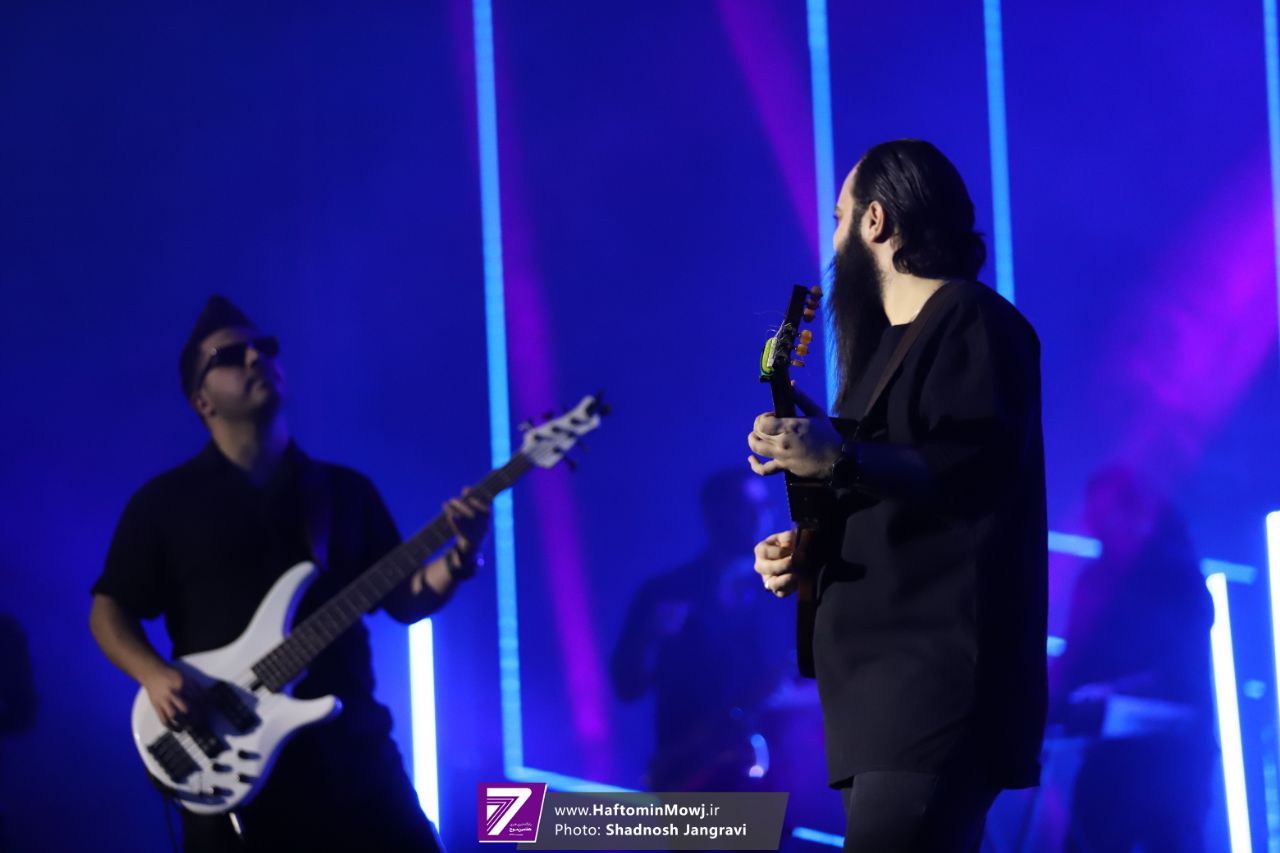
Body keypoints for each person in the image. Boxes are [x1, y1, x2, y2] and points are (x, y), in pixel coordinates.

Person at [89, 296, 490, 852]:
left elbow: (405, 599)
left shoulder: (344, 491)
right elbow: (108, 608)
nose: (257, 357)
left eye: (265, 346)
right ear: (201, 399)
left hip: (353, 755)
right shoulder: (164, 503)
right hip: (229, 765)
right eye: (231, 355)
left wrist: (461, 556)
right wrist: (153, 675)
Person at [747, 139, 1048, 852]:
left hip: (933, 687)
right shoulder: (885, 353)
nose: (834, 239)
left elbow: (972, 471)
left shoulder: (972, 318)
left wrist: (838, 455)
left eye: (839, 217)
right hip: (874, 703)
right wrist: (805, 550)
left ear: (876, 221)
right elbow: (897, 499)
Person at [1054, 467, 1216, 852]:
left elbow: (1180, 668)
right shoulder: (1094, 578)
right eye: (1094, 518)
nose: (1098, 528)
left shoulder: (1179, 577)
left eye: (1106, 517)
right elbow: (1075, 657)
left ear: (1140, 515)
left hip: (1174, 758)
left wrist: (1112, 690)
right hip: (1110, 753)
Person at [610, 469, 792, 791]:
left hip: (775, 772)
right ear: (714, 514)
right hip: (688, 773)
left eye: (764, 505)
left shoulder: (787, 595)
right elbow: (626, 687)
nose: (760, 516)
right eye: (745, 507)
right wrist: (649, 638)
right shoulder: (664, 592)